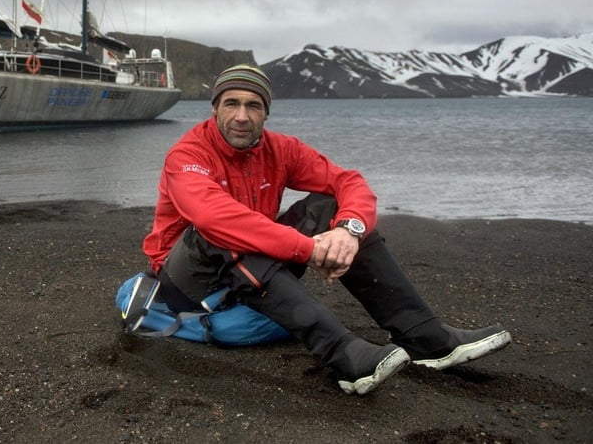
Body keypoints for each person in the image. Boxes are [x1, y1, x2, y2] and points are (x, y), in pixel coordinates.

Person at [142, 64, 511, 395]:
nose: (241, 116)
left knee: (329, 206)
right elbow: (214, 218)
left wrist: (347, 232)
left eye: (253, 106)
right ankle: (343, 356)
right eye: (231, 104)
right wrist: (309, 249)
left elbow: (349, 182)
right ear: (215, 109)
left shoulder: (281, 149)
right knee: (222, 232)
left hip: (250, 270)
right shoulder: (187, 155)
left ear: (266, 113)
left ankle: (425, 338)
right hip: (189, 281)